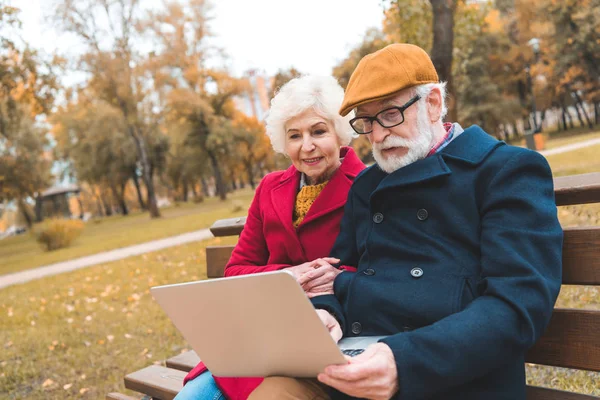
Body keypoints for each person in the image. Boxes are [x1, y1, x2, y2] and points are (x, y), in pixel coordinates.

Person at [249, 44, 563, 400]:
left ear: (431, 103)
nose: (378, 135)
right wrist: (327, 315)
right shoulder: (367, 186)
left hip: (451, 376)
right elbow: (336, 275)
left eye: (389, 114)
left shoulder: (504, 171)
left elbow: (517, 306)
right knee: (273, 393)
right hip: (357, 363)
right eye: (366, 122)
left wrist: (404, 361)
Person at [175, 75, 366, 400]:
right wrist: (288, 275)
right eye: (295, 135)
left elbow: (385, 271)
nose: (307, 146)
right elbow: (235, 270)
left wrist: (338, 279)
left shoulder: (367, 186)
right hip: (260, 339)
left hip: (334, 337)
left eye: (318, 131)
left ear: (339, 132)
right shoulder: (269, 188)